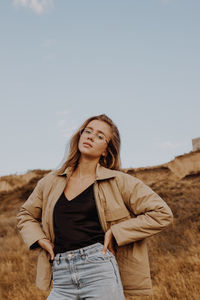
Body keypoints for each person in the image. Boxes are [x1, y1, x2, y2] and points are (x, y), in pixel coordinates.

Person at [17, 114, 173, 300]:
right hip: (61, 275)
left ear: (106, 150)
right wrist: (40, 239)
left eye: (100, 136)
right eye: (88, 131)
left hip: (99, 270)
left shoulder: (119, 181)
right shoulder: (50, 182)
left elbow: (162, 213)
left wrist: (117, 231)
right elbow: (26, 215)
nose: (90, 136)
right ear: (80, 136)